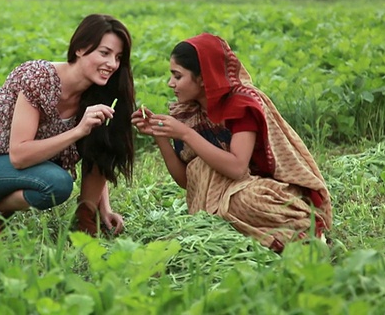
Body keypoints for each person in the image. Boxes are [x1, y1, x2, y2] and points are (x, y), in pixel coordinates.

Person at [131, 33, 332, 252]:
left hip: (267, 191)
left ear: (202, 78)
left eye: (177, 76)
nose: (171, 83)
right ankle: (243, 232)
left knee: (242, 201)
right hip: (230, 193)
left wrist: (186, 134)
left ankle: (306, 234)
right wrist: (160, 136)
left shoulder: (241, 105)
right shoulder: (190, 112)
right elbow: (188, 181)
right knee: (201, 168)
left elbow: (237, 168)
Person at [0, 14, 135, 237]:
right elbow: (19, 155)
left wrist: (103, 208)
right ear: (80, 48)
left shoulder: (99, 93)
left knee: (98, 142)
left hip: (27, 167)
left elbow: (101, 152)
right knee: (57, 182)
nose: (112, 64)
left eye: (118, 57)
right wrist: (78, 131)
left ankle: (86, 217)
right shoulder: (40, 78)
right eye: (104, 53)